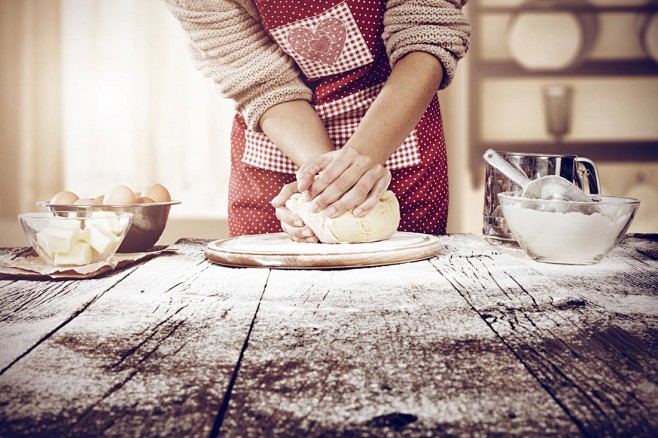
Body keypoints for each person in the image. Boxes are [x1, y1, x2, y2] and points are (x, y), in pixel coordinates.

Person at [164, 0, 470, 242]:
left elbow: (426, 31)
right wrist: (320, 185)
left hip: (396, 133)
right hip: (280, 143)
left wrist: (364, 154)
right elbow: (263, 84)